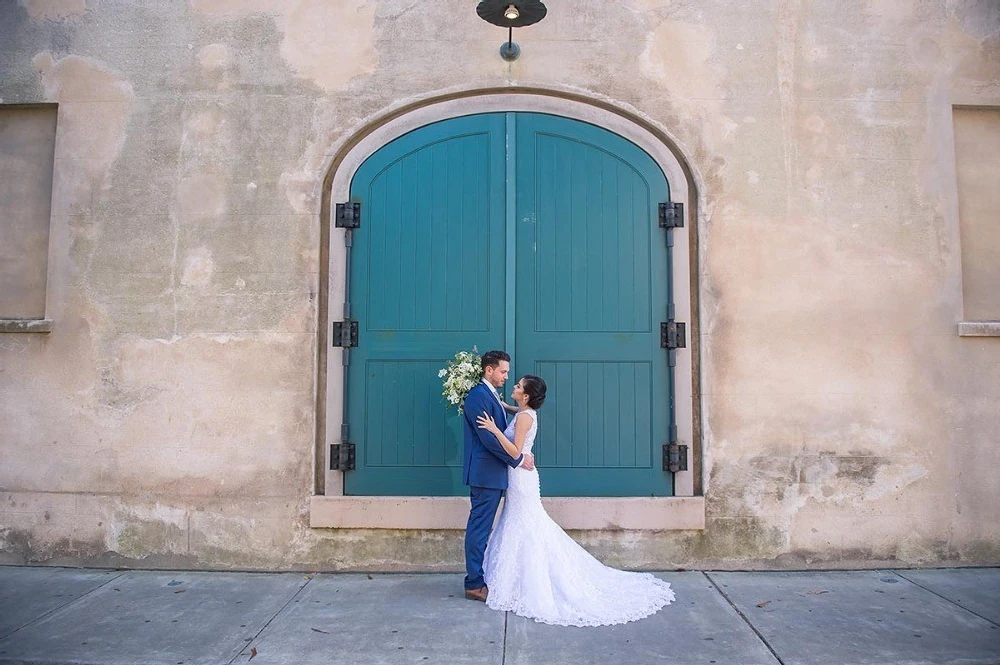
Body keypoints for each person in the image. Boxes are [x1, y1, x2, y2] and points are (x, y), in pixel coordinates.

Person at [475, 374, 676, 627]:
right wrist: (504, 405)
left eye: (518, 386)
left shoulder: (525, 417)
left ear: (526, 396)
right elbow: (519, 414)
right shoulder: (526, 412)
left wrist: (494, 429)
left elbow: (515, 451)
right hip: (520, 476)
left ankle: (531, 581)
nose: (513, 386)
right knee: (524, 523)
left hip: (520, 478)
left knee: (528, 525)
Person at [462, 350, 535, 602]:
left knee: (485, 528)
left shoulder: (491, 395)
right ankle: (474, 583)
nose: (506, 376)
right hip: (485, 474)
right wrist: (518, 458)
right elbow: (489, 439)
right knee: (479, 528)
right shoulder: (476, 397)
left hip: (495, 474)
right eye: (503, 371)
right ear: (488, 370)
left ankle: (485, 576)